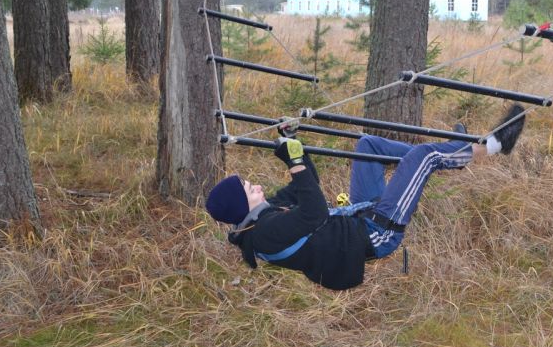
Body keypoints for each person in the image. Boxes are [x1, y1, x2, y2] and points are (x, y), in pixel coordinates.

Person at [205, 104, 527, 290]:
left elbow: (308, 185)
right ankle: (490, 147)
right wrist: (295, 162)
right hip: (378, 233)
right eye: (249, 189)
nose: (256, 186)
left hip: (361, 216)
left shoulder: (265, 214)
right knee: (424, 157)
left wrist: (293, 143)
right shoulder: (264, 233)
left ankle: (451, 154)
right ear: (241, 206)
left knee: (368, 145)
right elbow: (315, 214)